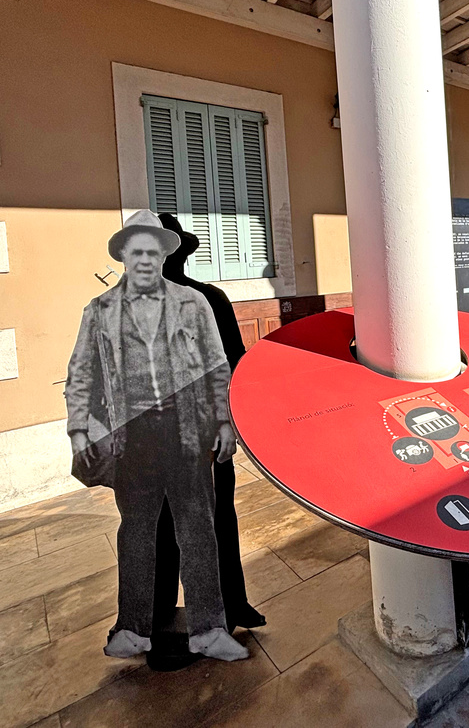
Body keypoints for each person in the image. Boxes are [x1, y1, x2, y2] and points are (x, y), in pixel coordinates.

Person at [64, 210, 248, 662]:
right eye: (136, 250)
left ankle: (209, 630)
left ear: (166, 254)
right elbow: (80, 374)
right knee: (137, 532)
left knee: (199, 529)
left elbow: (218, 366)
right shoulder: (100, 311)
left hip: (187, 434)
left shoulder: (195, 303)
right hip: (133, 440)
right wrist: (79, 430)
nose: (145, 259)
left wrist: (224, 423)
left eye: (153, 250)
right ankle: (132, 628)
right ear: (125, 255)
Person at [152, 213, 266, 636]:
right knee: (161, 531)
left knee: (219, 520)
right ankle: (154, 621)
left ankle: (231, 604)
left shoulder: (210, 299)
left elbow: (235, 366)